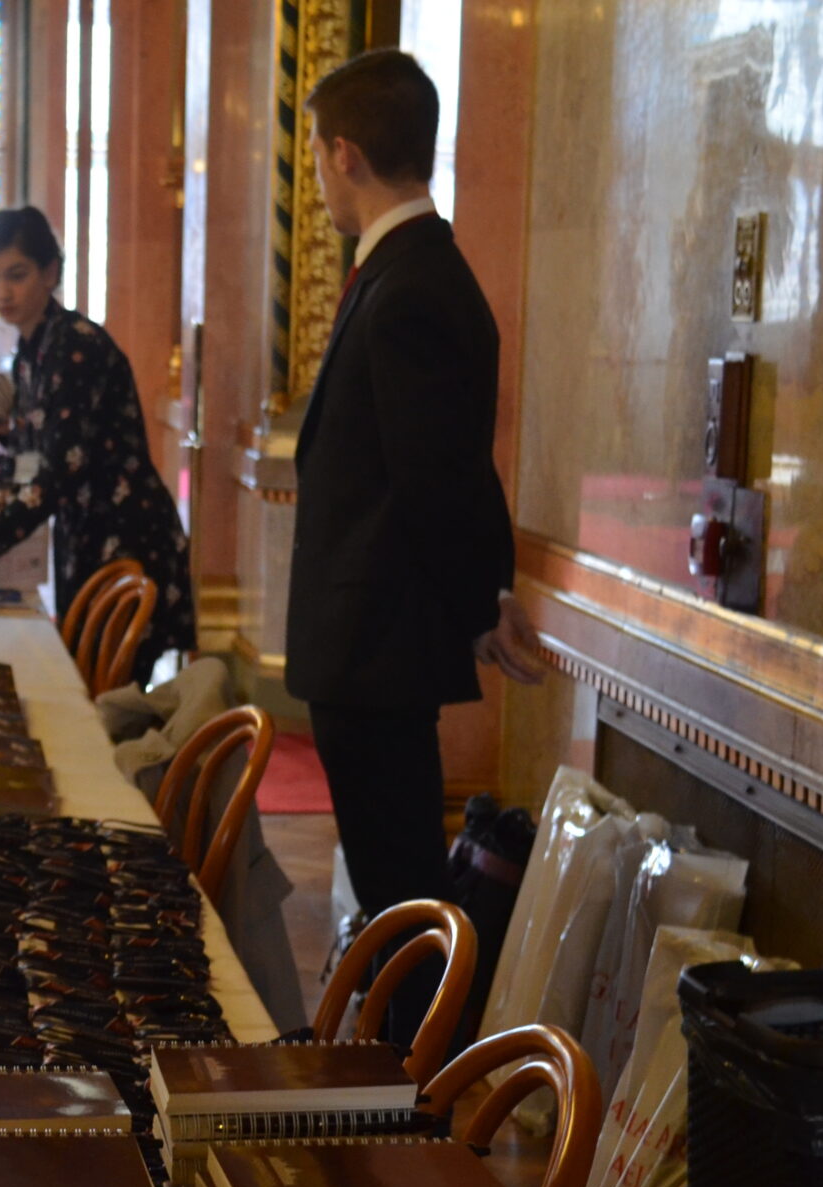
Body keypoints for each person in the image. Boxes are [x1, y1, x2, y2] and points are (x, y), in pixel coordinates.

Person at [286, 49, 542, 987]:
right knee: (392, 886)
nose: (319, 177)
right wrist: (485, 591)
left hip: (377, 643)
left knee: (401, 894)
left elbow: (439, 477)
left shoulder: (412, 286)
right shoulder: (408, 270)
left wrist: (481, 601)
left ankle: (413, 1060)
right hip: (373, 642)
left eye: (317, 155)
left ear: (344, 154)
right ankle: (399, 1045)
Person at [0, 208, 193, 674]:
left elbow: (55, 476)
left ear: (49, 272)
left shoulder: (74, 345)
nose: (2, 292)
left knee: (109, 697)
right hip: (84, 535)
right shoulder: (32, 350)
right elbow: (19, 467)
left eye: (16, 275)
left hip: (124, 539)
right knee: (83, 681)